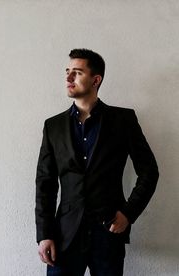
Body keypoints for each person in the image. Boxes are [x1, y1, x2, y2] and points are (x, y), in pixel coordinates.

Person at [35, 49, 159, 275]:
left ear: (96, 79)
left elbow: (149, 171)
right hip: (65, 236)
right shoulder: (53, 127)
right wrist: (44, 234)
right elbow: (45, 184)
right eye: (67, 71)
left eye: (77, 72)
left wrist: (128, 213)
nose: (69, 77)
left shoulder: (123, 120)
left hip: (108, 232)